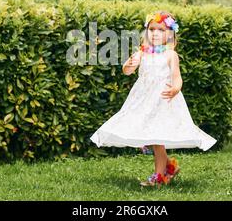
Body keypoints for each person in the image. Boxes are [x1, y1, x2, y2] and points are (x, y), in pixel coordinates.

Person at [90, 11, 217, 187]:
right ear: (146, 32)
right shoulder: (142, 52)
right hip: (143, 100)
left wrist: (175, 88)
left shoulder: (170, 55)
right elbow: (127, 71)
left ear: (170, 34)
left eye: (160, 29)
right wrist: (129, 64)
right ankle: (169, 167)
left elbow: (177, 77)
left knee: (156, 138)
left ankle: (159, 176)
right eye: (152, 29)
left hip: (163, 100)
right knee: (147, 134)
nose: (155, 33)